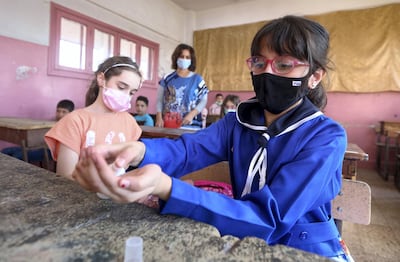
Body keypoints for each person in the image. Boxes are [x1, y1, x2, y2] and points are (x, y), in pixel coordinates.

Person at [71, 16, 352, 261]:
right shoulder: (238, 122)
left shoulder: (326, 137)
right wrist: (138, 152)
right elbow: (187, 150)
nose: (267, 72)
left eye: (283, 65)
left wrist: (167, 187)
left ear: (314, 76)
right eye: (259, 62)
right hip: (244, 240)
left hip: (304, 251)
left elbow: (269, 218)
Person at [45, 56, 143, 180]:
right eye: (121, 87)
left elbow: (129, 169)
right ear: (101, 79)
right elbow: (65, 177)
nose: (126, 96)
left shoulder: (130, 123)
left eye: (132, 93)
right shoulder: (75, 121)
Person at [1, 99, 75, 164]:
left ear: (71, 113)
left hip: (50, 151)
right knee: (6, 151)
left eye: (64, 112)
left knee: (18, 155)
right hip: (40, 147)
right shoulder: (52, 123)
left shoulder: (71, 127)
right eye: (58, 111)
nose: (60, 114)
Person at [155, 43, 209, 129]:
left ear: (191, 60)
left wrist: (192, 114)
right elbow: (159, 100)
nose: (184, 59)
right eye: (181, 56)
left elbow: (203, 101)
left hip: (191, 125)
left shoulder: (198, 79)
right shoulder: (167, 78)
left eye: (187, 57)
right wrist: (158, 117)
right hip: (170, 125)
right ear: (176, 57)